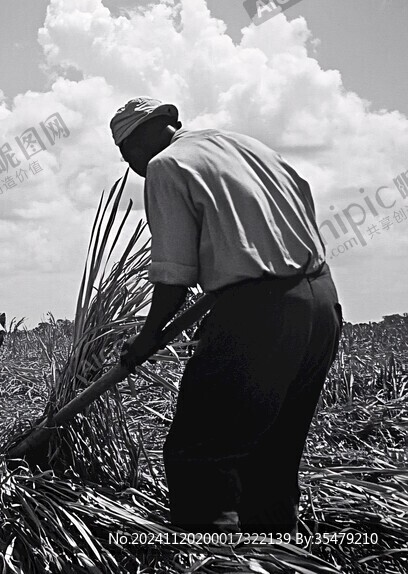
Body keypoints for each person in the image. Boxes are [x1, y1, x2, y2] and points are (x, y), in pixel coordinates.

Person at [111, 97, 341, 534]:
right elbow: (303, 199)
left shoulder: (167, 165)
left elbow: (174, 277)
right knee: (273, 453)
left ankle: (215, 560)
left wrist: (147, 338)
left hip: (255, 317)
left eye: (126, 153)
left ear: (147, 136)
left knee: (199, 457)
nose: (131, 165)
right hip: (321, 303)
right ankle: (278, 554)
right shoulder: (246, 146)